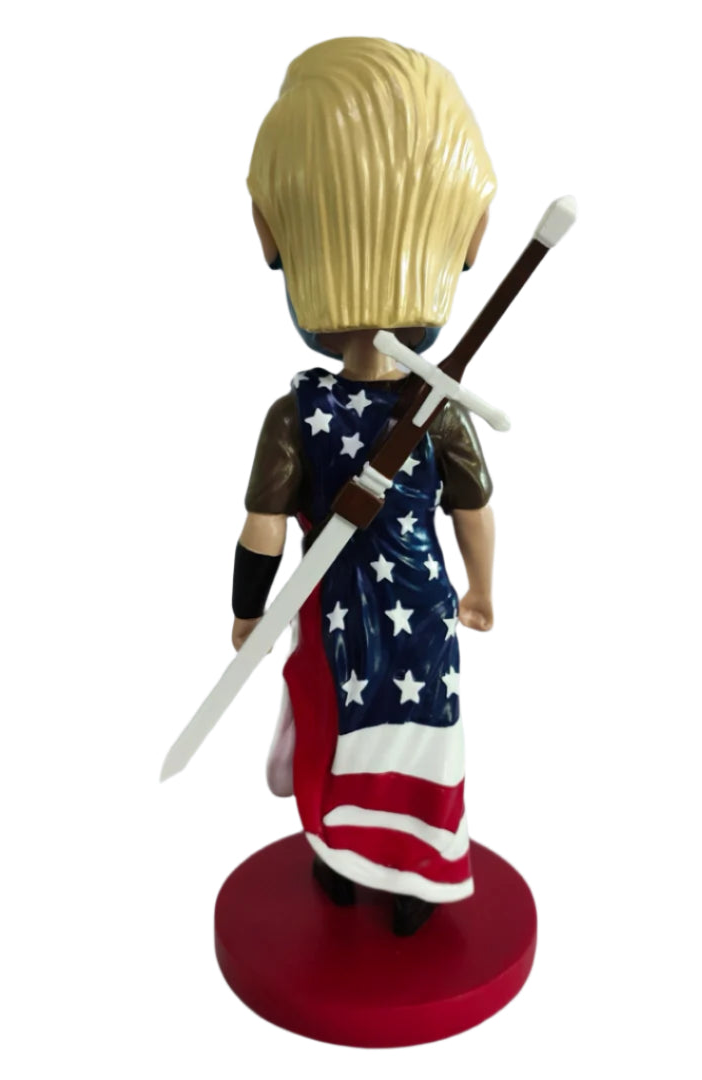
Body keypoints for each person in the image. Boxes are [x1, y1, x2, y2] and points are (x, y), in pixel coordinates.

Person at [231, 37, 497, 936]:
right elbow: (473, 511)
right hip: (412, 607)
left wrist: (247, 608)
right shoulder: (435, 410)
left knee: (343, 728)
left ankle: (351, 858)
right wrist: (482, 588)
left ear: (270, 231)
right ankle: (396, 871)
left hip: (335, 605)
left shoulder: (300, 413)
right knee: (404, 732)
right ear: (471, 238)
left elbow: (263, 527)